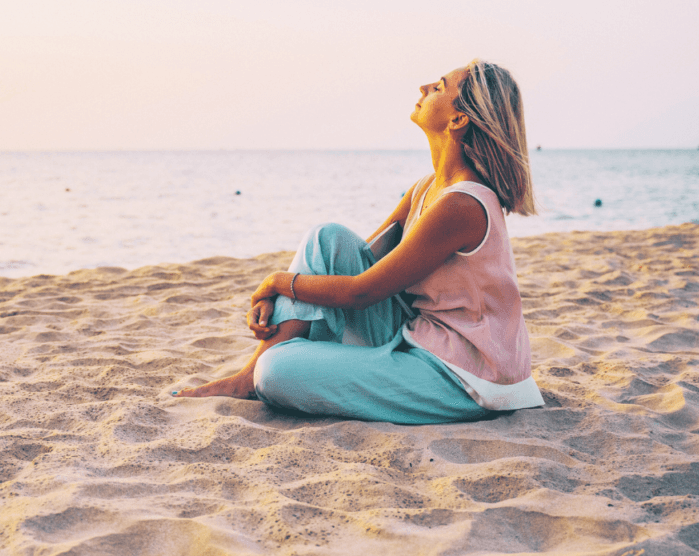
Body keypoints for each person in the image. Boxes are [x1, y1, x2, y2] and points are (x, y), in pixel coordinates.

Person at [173, 59, 545, 425]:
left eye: (439, 87)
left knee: (276, 371)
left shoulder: (462, 204)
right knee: (326, 239)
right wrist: (289, 296)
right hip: (420, 336)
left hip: (465, 376)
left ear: (458, 119)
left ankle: (261, 372)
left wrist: (275, 283)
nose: (424, 87)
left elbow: (360, 293)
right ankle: (247, 376)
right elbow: (351, 262)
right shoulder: (426, 189)